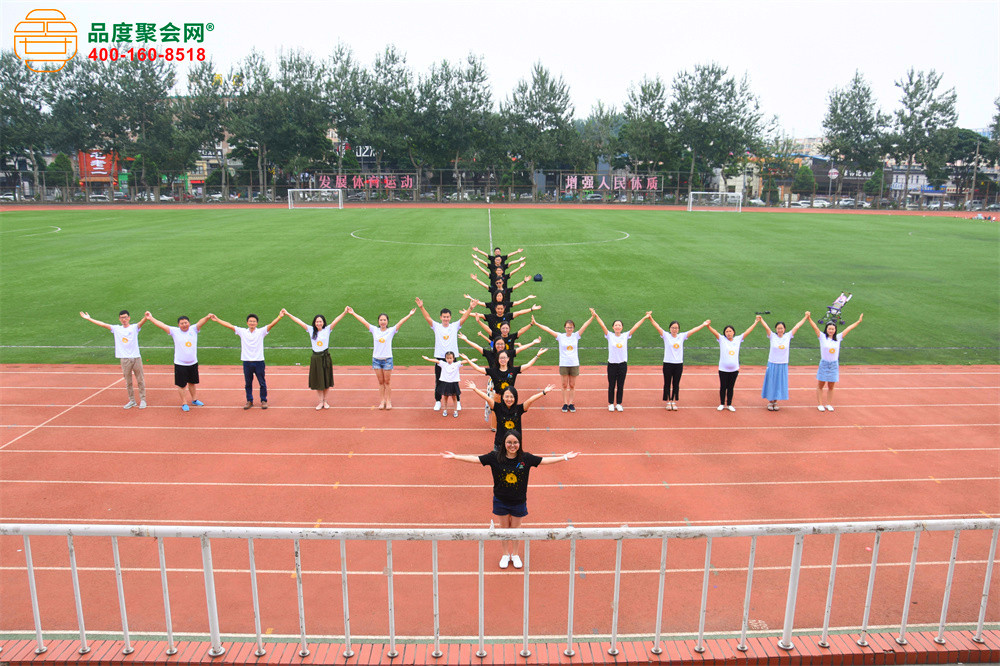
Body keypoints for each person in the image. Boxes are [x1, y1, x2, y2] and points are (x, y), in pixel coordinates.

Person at [442, 431, 578, 569]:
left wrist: (565, 457)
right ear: (504, 443)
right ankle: (505, 554)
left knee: (516, 530)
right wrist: (455, 456)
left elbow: (544, 461)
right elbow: (475, 459)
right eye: (509, 442)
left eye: (515, 442)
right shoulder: (495, 457)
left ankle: (515, 554)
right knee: (504, 530)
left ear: (519, 443)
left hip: (518, 502)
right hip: (501, 501)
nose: (512, 445)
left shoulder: (526, 458)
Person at [346, 306, 417, 410]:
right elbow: (364, 321)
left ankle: (388, 401)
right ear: (378, 321)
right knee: (380, 382)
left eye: (384, 320)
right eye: (381, 320)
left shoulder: (391, 330)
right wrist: (353, 313)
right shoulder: (374, 330)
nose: (383, 322)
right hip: (376, 360)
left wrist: (409, 315)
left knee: (387, 382)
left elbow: (400, 322)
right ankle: (382, 401)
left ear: (387, 321)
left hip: (387, 359)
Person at [210, 312, 285, 409]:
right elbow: (230, 326)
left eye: (254, 321)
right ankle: (249, 401)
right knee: (248, 383)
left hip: (259, 361)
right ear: (247, 323)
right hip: (247, 362)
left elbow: (271, 324)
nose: (252, 323)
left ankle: (263, 400)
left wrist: (279, 317)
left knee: (262, 383)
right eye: (250, 321)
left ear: (257, 323)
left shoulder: (261, 331)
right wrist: (217, 319)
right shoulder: (242, 331)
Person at [415, 296, 477, 411]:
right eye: (444, 317)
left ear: (450, 317)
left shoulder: (454, 326)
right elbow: (428, 318)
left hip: (452, 358)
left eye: (447, 317)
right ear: (441, 317)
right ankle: (438, 401)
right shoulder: (436, 326)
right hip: (440, 357)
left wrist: (470, 308)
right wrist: (421, 307)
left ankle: (458, 402)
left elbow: (463, 318)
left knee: (454, 381)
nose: (446, 319)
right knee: (439, 380)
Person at [80, 309, 150, 409]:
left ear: (129, 318)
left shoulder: (134, 327)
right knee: (128, 382)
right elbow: (103, 324)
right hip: (124, 359)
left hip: (136, 357)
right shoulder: (116, 329)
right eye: (122, 318)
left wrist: (146, 317)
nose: (124, 319)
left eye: (125, 317)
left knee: (140, 380)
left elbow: (141, 323)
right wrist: (89, 319)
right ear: (119, 319)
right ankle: (132, 401)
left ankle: (143, 400)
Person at [282, 308, 349, 410]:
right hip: (316, 358)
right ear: (314, 323)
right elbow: (299, 321)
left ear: (323, 322)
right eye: (317, 322)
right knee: (318, 381)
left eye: (320, 321)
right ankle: (320, 401)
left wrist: (344, 312)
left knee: (326, 380)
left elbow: (336, 320)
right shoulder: (310, 329)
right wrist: (288, 314)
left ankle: (325, 401)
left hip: (325, 357)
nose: (318, 323)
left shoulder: (327, 329)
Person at [145, 312, 213, 411]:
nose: (184, 325)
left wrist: (207, 317)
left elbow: (200, 322)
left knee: (192, 383)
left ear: (189, 323)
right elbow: (162, 325)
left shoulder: (194, 329)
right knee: (182, 385)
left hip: (193, 363)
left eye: (186, 323)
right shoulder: (174, 331)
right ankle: (184, 403)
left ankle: (194, 399)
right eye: (182, 323)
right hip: (180, 364)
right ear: (178, 325)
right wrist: (151, 318)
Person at [465, 381, 556, 451]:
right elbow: (487, 398)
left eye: (512, 397)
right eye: (507, 396)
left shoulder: (519, 409)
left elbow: (530, 400)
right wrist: (475, 389)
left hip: (514, 445)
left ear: (515, 398)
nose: (509, 399)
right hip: (499, 445)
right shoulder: (497, 407)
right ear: (502, 397)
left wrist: (544, 392)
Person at [532, 313, 595, 413]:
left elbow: (584, 326)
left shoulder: (576, 336)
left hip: (574, 363)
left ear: (573, 328)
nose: (569, 329)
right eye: (568, 327)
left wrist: (592, 317)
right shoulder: (560, 336)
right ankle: (565, 403)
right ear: (565, 328)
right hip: (564, 364)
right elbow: (548, 330)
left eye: (571, 327)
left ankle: (571, 403)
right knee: (564, 385)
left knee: (572, 385)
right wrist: (536, 323)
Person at [590, 308, 650, 412]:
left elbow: (635, 326)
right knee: (611, 385)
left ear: (622, 327)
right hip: (612, 364)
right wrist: (595, 315)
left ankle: (618, 403)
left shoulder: (625, 335)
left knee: (620, 385)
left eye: (619, 325)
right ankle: (610, 403)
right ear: (613, 327)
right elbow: (602, 325)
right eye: (616, 325)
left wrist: (645, 318)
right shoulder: (609, 335)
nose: (617, 327)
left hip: (622, 364)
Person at [648, 316, 711, 411]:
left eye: (676, 328)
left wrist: (703, 324)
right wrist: (650, 318)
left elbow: (693, 330)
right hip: (668, 363)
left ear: (679, 329)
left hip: (678, 364)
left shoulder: (682, 336)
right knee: (667, 383)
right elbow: (657, 327)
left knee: (676, 383)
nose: (674, 329)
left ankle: (673, 401)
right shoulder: (666, 335)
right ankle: (668, 402)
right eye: (673, 327)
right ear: (670, 328)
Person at [806, 312, 864, 412]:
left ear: (835, 330)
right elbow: (815, 327)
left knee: (831, 386)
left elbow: (848, 329)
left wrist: (858, 322)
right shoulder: (822, 337)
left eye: (833, 329)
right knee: (821, 385)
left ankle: (828, 404)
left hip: (834, 365)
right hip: (824, 363)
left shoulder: (839, 337)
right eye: (829, 329)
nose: (831, 331)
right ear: (826, 329)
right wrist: (809, 318)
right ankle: (820, 404)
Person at [707, 316, 761, 411]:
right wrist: (708, 326)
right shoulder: (722, 339)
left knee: (731, 387)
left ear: (733, 332)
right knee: (723, 387)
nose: (728, 333)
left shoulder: (738, 339)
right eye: (727, 331)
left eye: (730, 331)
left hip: (734, 369)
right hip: (723, 369)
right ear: (724, 333)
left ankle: (729, 404)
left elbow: (747, 331)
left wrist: (756, 322)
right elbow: (714, 332)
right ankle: (722, 404)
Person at [759, 313, 810, 411]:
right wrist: (761, 320)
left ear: (784, 329)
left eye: (781, 328)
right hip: (773, 363)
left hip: (783, 364)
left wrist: (805, 317)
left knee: (779, 383)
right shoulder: (772, 336)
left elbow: (797, 326)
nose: (780, 330)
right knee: (771, 382)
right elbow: (766, 327)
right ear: (776, 329)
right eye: (778, 328)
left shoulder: (788, 336)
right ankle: (770, 401)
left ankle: (775, 402)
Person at [420, 352, 468, 417]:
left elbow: (464, 361)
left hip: (453, 383)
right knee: (445, 397)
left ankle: (455, 411)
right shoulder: (443, 364)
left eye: (450, 358)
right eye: (447, 358)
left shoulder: (456, 364)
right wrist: (428, 359)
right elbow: (436, 361)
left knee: (454, 398)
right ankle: (445, 410)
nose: (449, 360)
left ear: (453, 358)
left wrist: (469, 360)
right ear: (445, 358)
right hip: (445, 383)